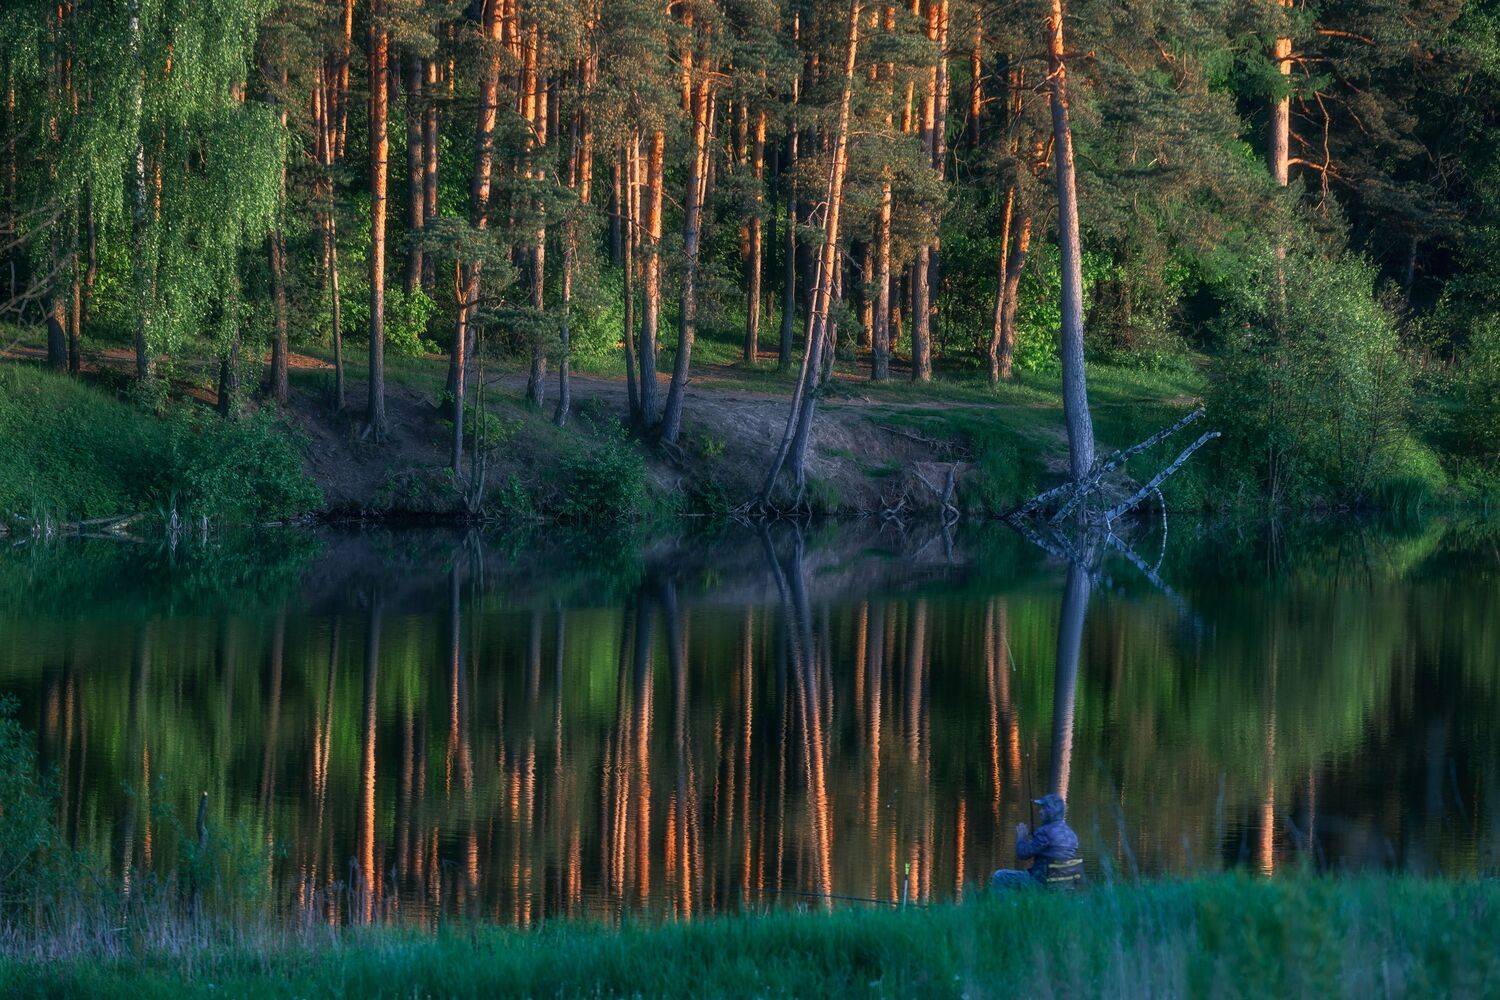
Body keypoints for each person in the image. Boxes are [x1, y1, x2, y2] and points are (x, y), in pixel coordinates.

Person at [991, 793, 1082, 889]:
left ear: (1050, 811)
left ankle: (1000, 904)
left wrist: (1021, 836)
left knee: (1000, 876)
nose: (1040, 811)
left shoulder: (1045, 832)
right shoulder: (1072, 834)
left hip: (1041, 882)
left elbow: (1022, 854)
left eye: (1043, 808)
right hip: (1064, 885)